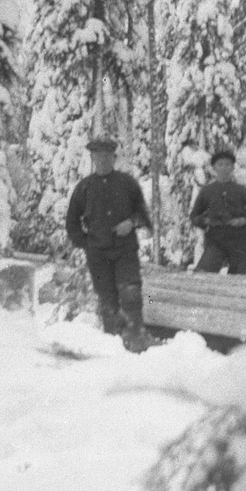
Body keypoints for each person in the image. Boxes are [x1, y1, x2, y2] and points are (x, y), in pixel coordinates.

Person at [65, 136, 156, 351]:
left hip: (125, 251)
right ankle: (113, 345)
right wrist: (86, 243)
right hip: (98, 255)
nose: (103, 160)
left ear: (114, 158)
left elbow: (144, 217)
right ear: (93, 158)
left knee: (131, 294)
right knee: (107, 300)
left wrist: (130, 223)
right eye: (98, 156)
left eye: (107, 156)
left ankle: (137, 340)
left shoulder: (127, 183)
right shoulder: (84, 187)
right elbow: (71, 222)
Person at [190, 148, 246, 275]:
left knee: (237, 281)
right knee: (202, 275)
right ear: (214, 168)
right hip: (215, 239)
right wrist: (205, 221)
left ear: (233, 167)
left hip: (238, 239)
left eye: (228, 164)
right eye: (220, 164)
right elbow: (194, 216)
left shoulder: (241, 190)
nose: (224, 168)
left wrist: (242, 221)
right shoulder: (207, 191)